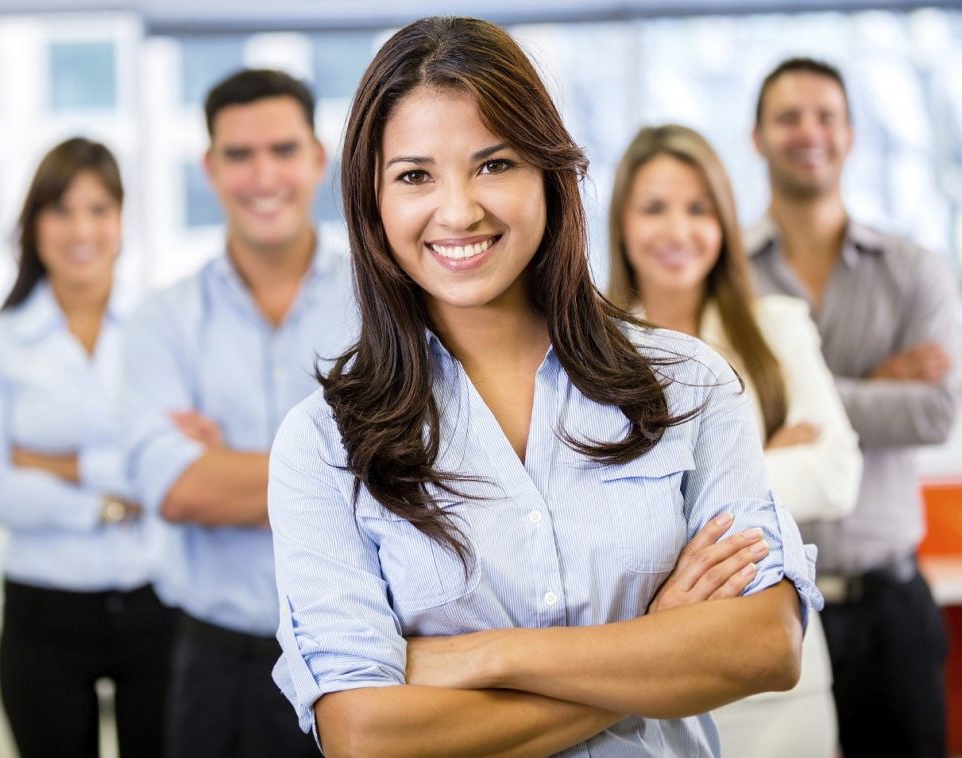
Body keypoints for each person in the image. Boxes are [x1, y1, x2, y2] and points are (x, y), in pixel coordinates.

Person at [268, 16, 822, 757]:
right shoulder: (323, 443)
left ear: (550, 175)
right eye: (414, 176)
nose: (459, 210)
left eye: (495, 164)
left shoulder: (687, 385)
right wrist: (656, 648)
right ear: (371, 203)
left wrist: (485, 657)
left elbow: (766, 645)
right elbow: (364, 736)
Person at [607, 123, 862, 757]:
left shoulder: (776, 329)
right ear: (621, 225)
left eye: (699, 208)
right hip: (654, 674)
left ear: (724, 222)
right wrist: (766, 461)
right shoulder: (592, 352)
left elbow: (836, 475)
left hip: (781, 682)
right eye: (654, 208)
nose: (678, 230)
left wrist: (670, 488)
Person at [119, 69, 353, 758]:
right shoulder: (162, 322)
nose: (263, 176)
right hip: (216, 664)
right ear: (210, 167)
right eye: (240, 155)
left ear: (316, 158)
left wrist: (231, 470)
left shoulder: (384, 310)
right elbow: (176, 489)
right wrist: (345, 472)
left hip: (362, 659)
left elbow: (413, 476)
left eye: (282, 150)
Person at [746, 57, 962, 758]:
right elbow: (715, 419)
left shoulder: (913, 269)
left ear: (850, 135)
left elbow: (935, 413)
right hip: (765, 610)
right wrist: (876, 380)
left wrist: (801, 394)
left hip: (889, 605)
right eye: (788, 117)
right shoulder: (725, 274)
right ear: (757, 137)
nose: (809, 132)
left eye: (825, 116)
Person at [0, 137, 174, 758]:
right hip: (43, 613)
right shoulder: (1, 342)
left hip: (157, 601)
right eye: (61, 209)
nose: (81, 228)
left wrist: (59, 464)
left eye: (99, 208)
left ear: (121, 220)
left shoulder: (161, 326)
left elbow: (172, 464)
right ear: (35, 224)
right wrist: (105, 502)